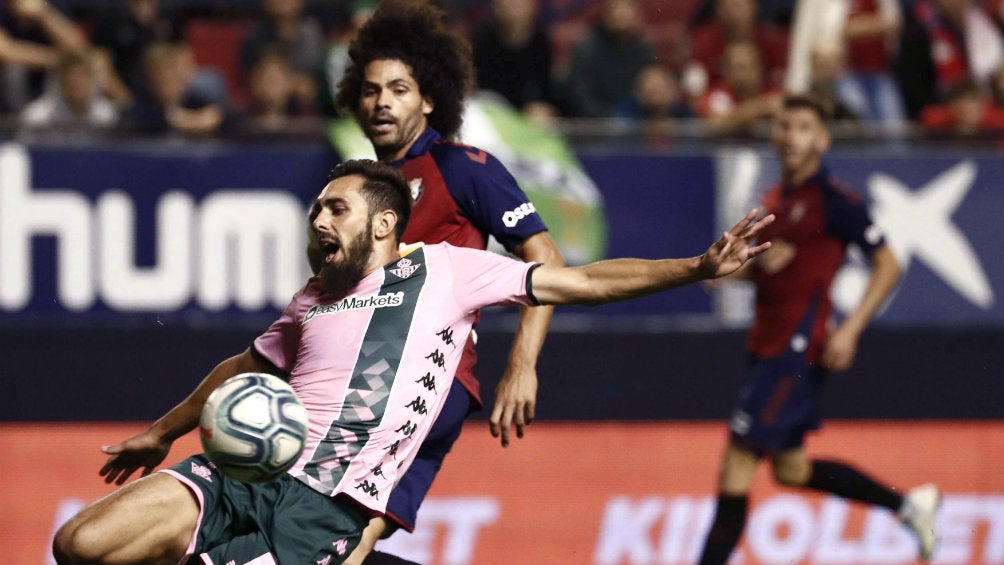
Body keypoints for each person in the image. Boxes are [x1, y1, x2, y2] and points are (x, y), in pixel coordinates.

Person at [52, 158, 775, 565]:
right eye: (315, 211)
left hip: (324, 507)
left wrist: (696, 266)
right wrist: (163, 429)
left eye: (335, 209)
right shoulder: (310, 299)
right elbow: (243, 365)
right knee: (79, 543)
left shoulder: (447, 272)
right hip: (246, 473)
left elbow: (579, 281)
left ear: (385, 222)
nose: (318, 220)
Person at [330, 2, 566, 561]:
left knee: (326, 533)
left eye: (399, 88)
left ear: (430, 98)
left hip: (428, 381)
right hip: (362, 386)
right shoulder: (358, 190)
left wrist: (522, 365)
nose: (382, 101)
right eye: (369, 90)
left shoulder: (461, 167)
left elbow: (546, 261)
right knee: (336, 544)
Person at [695, 95, 941, 565]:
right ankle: (910, 505)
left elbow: (888, 265)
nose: (791, 136)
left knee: (737, 462)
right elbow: (777, 269)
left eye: (803, 127)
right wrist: (731, 270)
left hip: (794, 352)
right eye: (784, 126)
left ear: (823, 139)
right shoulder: (776, 200)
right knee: (791, 469)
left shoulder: (833, 201)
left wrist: (850, 330)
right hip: (766, 346)